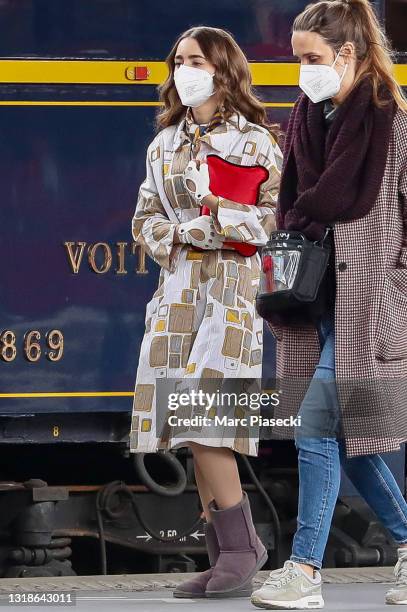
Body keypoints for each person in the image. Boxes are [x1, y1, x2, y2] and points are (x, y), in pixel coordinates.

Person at [251, 0, 407, 609]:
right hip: (314, 297)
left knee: (315, 425)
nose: (301, 71)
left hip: (371, 303)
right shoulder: (308, 116)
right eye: (297, 60)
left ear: (347, 54)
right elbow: (296, 203)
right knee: (340, 437)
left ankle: (305, 569)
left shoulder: (392, 123)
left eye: (311, 59)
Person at [129, 26, 283, 598]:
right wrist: (175, 236)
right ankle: (222, 554)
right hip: (176, 295)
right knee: (188, 427)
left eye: (195, 59)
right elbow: (144, 219)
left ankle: (243, 549)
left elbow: (270, 221)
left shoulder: (258, 143)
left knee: (206, 415)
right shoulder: (163, 143)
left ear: (223, 68)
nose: (182, 68)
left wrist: (209, 225)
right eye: (177, 60)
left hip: (231, 295)